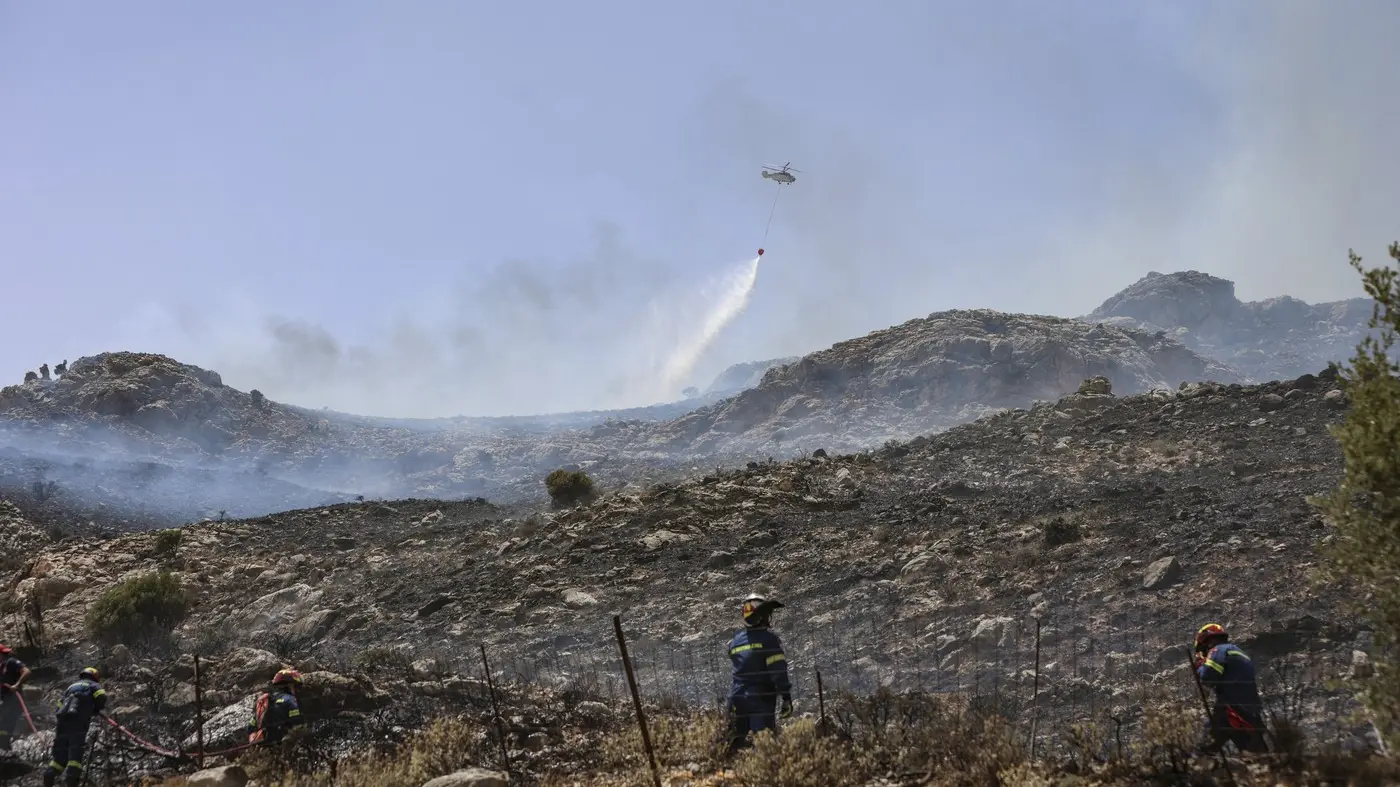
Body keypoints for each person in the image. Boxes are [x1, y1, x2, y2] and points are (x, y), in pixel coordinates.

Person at [726, 593, 793, 754]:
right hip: (760, 699)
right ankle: (762, 777)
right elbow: (778, 671)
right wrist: (786, 697)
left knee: (731, 746)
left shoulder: (735, 641)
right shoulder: (769, 640)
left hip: (736, 698)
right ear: (762, 617)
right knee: (764, 748)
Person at [1193, 623, 1269, 754]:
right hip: (1251, 712)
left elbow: (1208, 676)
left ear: (1206, 641)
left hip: (1230, 710)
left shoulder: (1217, 650)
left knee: (1204, 747)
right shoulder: (1238, 652)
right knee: (1257, 757)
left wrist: (1200, 666)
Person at [44, 667, 106, 787]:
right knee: (75, 758)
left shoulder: (71, 687)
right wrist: (95, 709)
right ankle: (71, 782)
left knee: (58, 760)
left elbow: (59, 705)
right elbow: (102, 697)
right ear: (95, 677)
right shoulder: (93, 685)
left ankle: (48, 777)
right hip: (78, 724)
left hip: (62, 723)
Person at [248, 669, 305, 745]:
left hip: (263, 745)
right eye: (296, 686)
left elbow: (251, 727)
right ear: (291, 685)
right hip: (281, 745)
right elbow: (297, 724)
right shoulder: (290, 700)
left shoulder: (265, 700)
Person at [0, 644, 30, 752]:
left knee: (6, 723)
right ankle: (4, 746)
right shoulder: (2, 666)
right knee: (4, 723)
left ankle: (4, 746)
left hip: (14, 699)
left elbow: (26, 671)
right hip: (5, 699)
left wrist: (16, 685)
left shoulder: (11, 662)